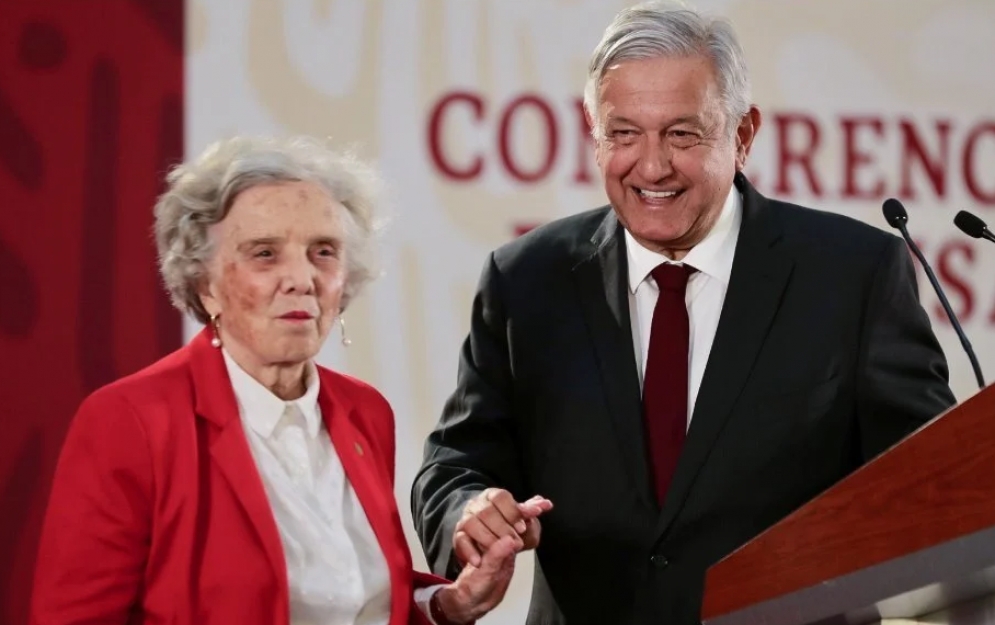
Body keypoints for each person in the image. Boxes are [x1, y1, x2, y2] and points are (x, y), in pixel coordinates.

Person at [410, 2, 957, 624]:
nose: (651, 166)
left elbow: (927, 481)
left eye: (681, 134)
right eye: (623, 133)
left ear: (743, 134)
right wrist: (469, 510)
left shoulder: (852, 274)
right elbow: (455, 464)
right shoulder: (527, 279)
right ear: (593, 132)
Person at [30, 136, 532, 625]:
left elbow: (358, 599)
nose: (301, 277)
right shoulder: (133, 422)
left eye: (323, 251)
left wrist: (445, 606)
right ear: (206, 285)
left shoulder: (365, 412)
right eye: (265, 253)